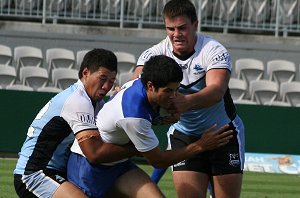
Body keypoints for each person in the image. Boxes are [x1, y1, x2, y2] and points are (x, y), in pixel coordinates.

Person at [67, 55, 234, 198]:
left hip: (119, 165)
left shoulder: (142, 83)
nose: (174, 97)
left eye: (176, 90)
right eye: (168, 91)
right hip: (88, 169)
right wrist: (201, 145)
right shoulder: (134, 116)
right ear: (150, 86)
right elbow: (158, 160)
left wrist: (162, 118)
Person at [132, 0, 245, 198]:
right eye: (170, 28)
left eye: (182, 28)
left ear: (195, 25)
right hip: (184, 135)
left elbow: (217, 91)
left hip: (223, 134)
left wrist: (185, 103)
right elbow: (136, 86)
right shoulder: (154, 53)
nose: (176, 34)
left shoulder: (214, 50)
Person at [13, 48, 139, 198]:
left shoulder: (94, 102)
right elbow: (94, 153)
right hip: (35, 174)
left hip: (59, 172)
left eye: (111, 81)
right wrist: (139, 148)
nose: (106, 86)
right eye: (102, 78)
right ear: (86, 73)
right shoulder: (77, 101)